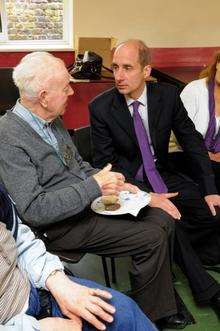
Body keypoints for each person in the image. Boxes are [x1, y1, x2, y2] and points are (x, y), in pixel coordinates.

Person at [0, 52, 183, 329]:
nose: (72, 91)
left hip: (82, 208)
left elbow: (77, 166)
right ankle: (152, 314)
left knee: (162, 218)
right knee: (153, 235)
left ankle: (156, 302)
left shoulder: (51, 119)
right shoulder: (8, 136)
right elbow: (34, 209)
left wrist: (107, 178)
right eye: (66, 88)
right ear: (44, 96)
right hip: (58, 226)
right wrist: (94, 186)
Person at [89, 39, 220, 315]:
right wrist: (145, 196)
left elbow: (193, 142)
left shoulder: (168, 96)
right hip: (131, 183)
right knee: (168, 221)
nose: (119, 76)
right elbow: (105, 165)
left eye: (127, 68)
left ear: (147, 71)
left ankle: (181, 252)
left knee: (211, 214)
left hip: (162, 172)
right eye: (115, 67)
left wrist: (210, 188)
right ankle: (208, 290)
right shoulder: (101, 107)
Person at [0, 185, 155, 331]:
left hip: (30, 286)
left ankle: (162, 309)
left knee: (125, 312)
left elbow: (15, 235)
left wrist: (57, 281)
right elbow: (35, 209)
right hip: (61, 223)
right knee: (152, 237)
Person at [180, 51, 220, 193]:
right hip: (188, 157)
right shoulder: (194, 90)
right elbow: (181, 135)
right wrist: (205, 154)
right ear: (217, 65)